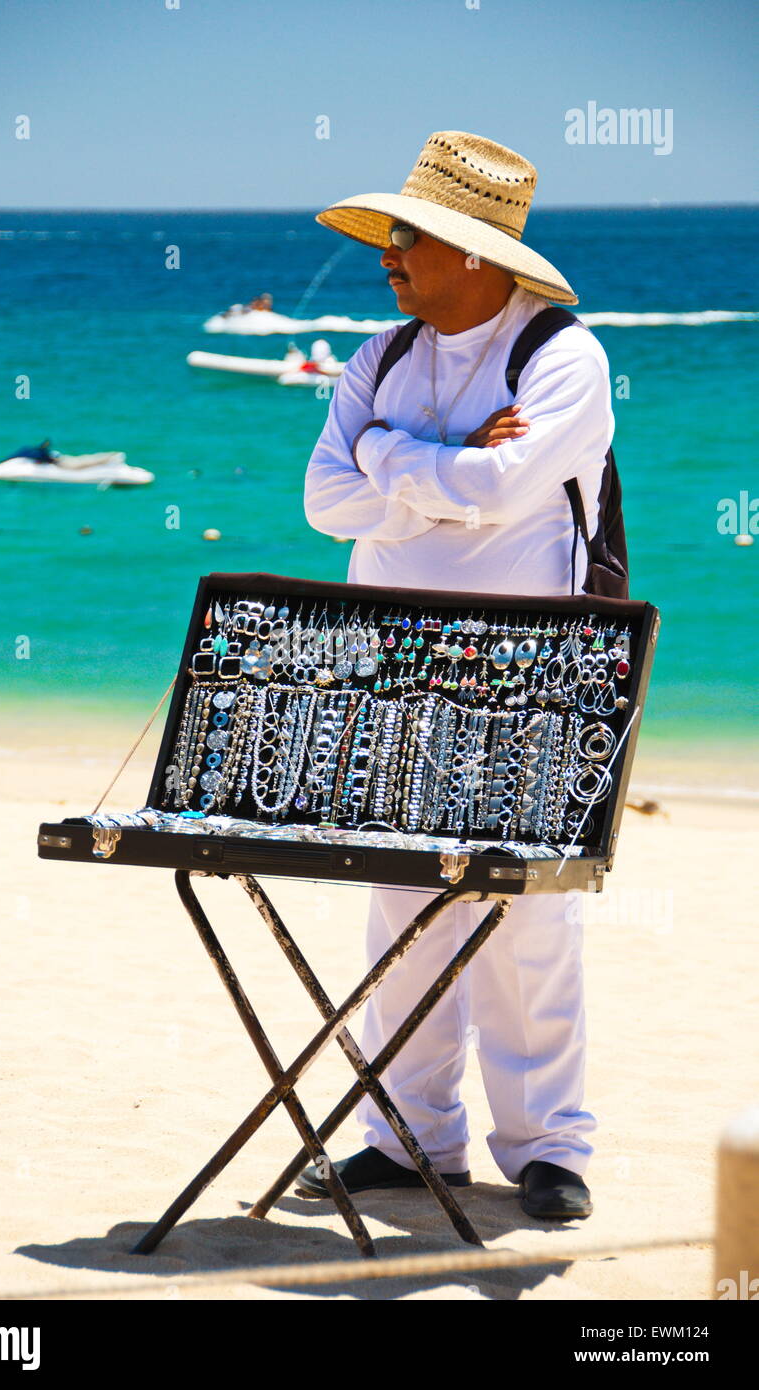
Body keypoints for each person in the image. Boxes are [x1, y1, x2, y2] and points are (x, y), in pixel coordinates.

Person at [300, 131, 616, 1221]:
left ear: (474, 255)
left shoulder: (563, 358)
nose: (388, 256)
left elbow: (504, 484)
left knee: (527, 918)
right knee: (402, 909)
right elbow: (320, 501)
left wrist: (386, 455)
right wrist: (432, 460)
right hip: (392, 673)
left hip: (533, 678)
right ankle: (406, 1138)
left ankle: (546, 1149)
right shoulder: (379, 359)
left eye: (408, 239)